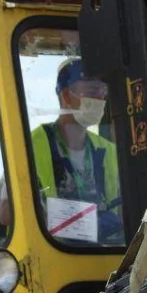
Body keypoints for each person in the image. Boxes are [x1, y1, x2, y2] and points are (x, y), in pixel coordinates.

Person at [27, 58, 123, 244]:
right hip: (51, 256)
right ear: (66, 95)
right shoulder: (31, 144)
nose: (99, 100)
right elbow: (6, 213)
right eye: (92, 91)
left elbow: (124, 212)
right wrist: (77, 224)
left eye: (103, 92)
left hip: (105, 255)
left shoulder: (109, 150)